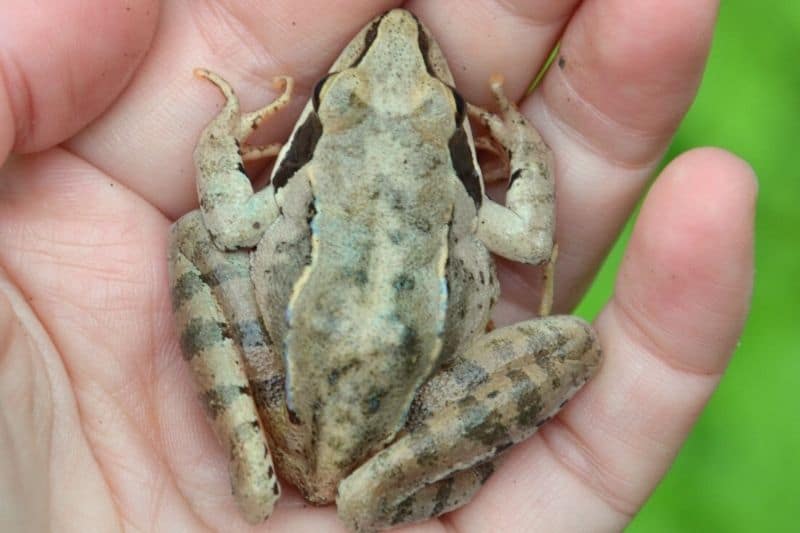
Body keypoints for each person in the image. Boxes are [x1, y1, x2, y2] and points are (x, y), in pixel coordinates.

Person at [0, 1, 755, 531]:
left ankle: (256, 470)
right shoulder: (469, 203)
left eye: (439, 105)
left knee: (195, 239)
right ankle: (372, 490)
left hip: (289, 408)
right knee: (578, 344)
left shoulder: (300, 176)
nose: (401, 37)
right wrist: (523, 147)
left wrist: (226, 129)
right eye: (346, 93)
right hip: (403, 418)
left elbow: (228, 217)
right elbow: (528, 237)